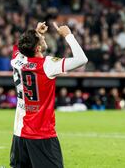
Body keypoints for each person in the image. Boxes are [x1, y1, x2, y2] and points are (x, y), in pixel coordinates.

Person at [10, 22, 88, 167]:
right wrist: (68, 35)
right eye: (42, 39)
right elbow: (82, 59)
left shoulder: (17, 60)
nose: (44, 38)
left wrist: (36, 33)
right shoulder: (47, 65)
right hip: (41, 135)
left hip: (19, 133)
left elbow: (20, 45)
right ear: (38, 48)